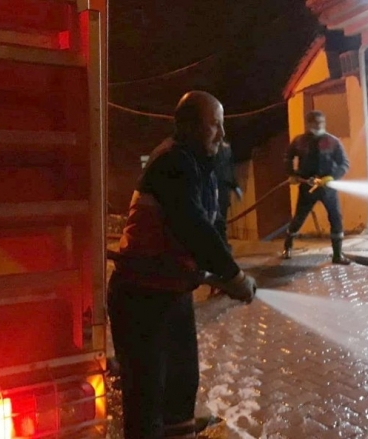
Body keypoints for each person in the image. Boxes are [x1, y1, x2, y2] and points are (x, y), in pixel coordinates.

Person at [107, 91, 257, 439]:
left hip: (172, 294)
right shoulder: (172, 163)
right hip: (140, 298)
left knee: (181, 385)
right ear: (187, 126)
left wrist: (226, 271)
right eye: (213, 126)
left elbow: (213, 225)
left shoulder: (200, 165)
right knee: (146, 396)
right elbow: (192, 226)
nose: (221, 135)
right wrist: (233, 275)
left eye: (222, 126)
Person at [282, 110, 351, 264]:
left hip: (328, 187)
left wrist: (332, 177)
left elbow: (344, 163)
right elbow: (288, 157)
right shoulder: (299, 141)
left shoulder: (333, 141)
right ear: (309, 124)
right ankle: (288, 247)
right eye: (316, 123)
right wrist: (292, 174)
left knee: (336, 218)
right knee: (299, 218)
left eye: (322, 122)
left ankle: (337, 255)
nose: (319, 125)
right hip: (307, 186)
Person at [214, 141, 243, 246]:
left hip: (224, 187)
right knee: (216, 218)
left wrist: (235, 186)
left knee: (222, 217)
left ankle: (222, 243)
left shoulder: (227, 149)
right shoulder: (211, 149)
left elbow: (230, 169)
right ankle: (220, 243)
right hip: (214, 186)